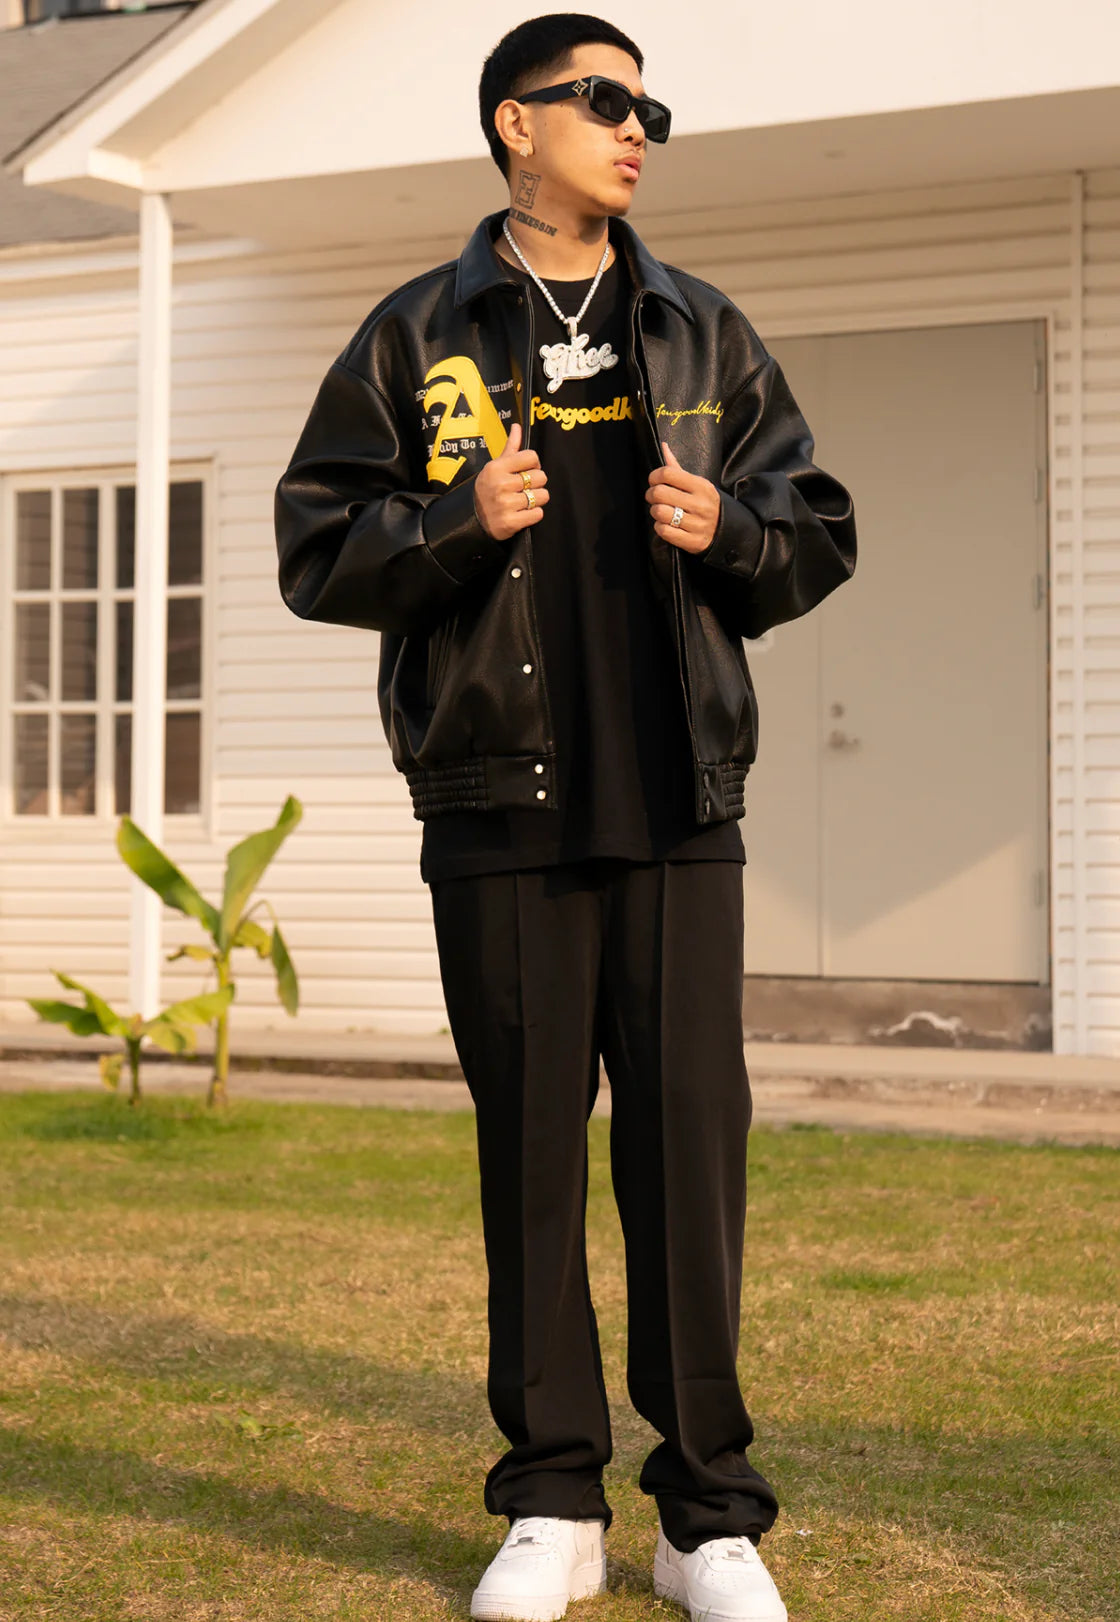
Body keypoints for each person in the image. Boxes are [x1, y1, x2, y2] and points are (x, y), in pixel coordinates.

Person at [274, 13, 857, 1620]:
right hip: (496, 802)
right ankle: (550, 1502)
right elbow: (318, 543)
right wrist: (457, 524)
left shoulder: (701, 329)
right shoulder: (418, 334)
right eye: (602, 100)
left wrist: (730, 524)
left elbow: (817, 527)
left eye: (645, 103)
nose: (635, 126)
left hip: (681, 803)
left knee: (690, 1159)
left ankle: (705, 1516)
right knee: (529, 1157)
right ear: (513, 126)